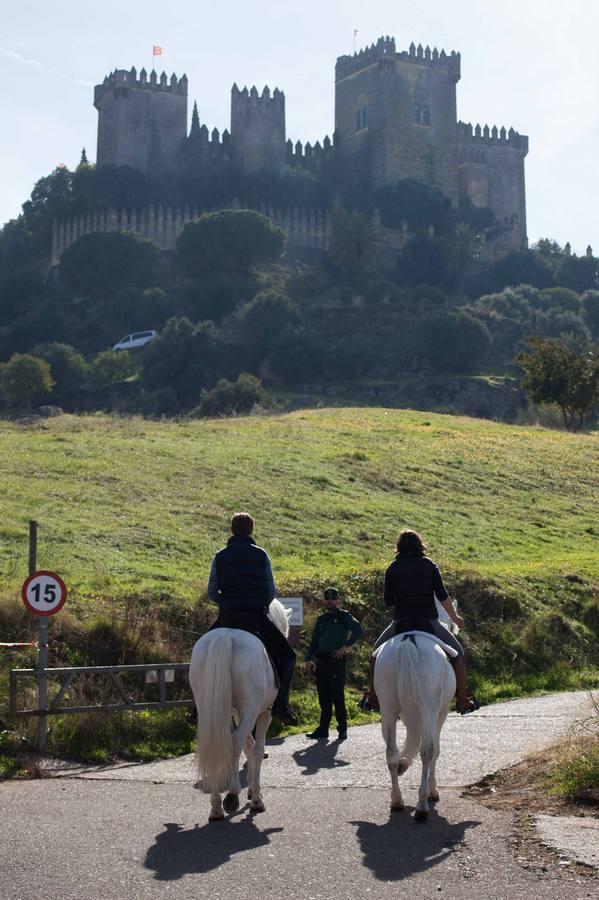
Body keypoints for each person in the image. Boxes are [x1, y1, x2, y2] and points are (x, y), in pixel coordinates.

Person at [361, 529, 479, 716]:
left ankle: (373, 699)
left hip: (401, 623)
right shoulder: (429, 565)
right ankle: (463, 700)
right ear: (420, 545)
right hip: (428, 623)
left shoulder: (392, 568)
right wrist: (455, 618)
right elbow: (442, 595)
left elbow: (389, 602)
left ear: (399, 546)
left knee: (375, 656)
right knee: (459, 655)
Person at [206, 511, 298, 726]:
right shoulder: (261, 555)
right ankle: (281, 706)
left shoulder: (220, 556)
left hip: (227, 615)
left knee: (200, 656)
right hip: (254, 616)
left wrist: (227, 602)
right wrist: (260, 602)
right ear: (251, 530)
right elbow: (270, 591)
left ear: (231, 530)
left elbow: (211, 592)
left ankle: (197, 709)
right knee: (288, 657)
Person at [304, 586, 363, 741]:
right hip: (321, 662)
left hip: (336, 662)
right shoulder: (321, 620)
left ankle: (342, 729)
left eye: (333, 598)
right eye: (327, 599)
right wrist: (308, 659)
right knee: (324, 698)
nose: (330, 601)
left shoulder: (344, 616)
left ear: (338, 600)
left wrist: (345, 647)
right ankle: (323, 729)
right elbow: (314, 642)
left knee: (337, 697)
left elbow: (358, 630)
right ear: (324, 601)